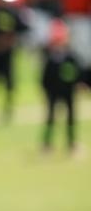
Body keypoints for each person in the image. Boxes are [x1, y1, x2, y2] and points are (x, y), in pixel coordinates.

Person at [41, 18, 82, 152]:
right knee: (51, 117)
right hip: (53, 92)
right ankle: (47, 144)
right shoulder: (51, 58)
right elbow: (45, 78)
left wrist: (79, 84)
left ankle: (71, 143)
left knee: (70, 117)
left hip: (68, 91)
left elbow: (78, 74)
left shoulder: (71, 56)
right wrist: (45, 90)